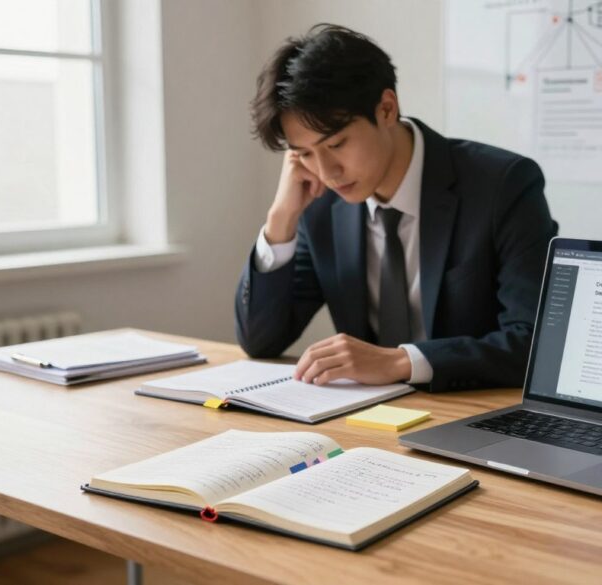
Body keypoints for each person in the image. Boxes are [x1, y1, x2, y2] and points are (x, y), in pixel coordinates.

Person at [236, 24, 557, 392]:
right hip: (366, 422)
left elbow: (534, 342)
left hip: (469, 412)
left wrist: (401, 362)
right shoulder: (318, 201)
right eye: (304, 153)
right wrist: (280, 220)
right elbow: (261, 341)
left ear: (387, 109)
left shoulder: (503, 185)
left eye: (337, 144)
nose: (327, 171)